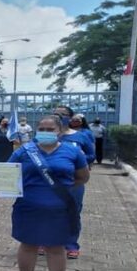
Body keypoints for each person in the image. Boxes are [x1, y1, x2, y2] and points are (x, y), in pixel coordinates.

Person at [0, 115, 89, 271]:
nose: (45, 133)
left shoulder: (72, 152)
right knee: (28, 245)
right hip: (28, 207)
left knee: (56, 248)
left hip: (60, 209)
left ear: (60, 131)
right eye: (42, 129)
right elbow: (4, 171)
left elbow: (82, 177)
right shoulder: (25, 151)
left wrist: (60, 190)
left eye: (50, 129)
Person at [53, 106, 94, 259]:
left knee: (72, 212)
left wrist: (80, 157)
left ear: (70, 118)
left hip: (73, 182)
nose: (58, 116)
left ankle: (71, 245)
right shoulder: (46, 134)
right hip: (48, 181)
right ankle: (45, 241)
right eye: (55, 113)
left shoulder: (81, 136)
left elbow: (91, 155)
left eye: (62, 114)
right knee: (48, 211)